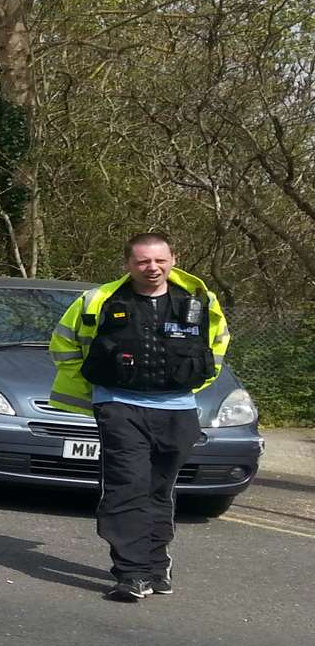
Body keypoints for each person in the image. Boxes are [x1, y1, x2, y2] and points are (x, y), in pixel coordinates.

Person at [48, 232, 229, 602]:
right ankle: (131, 574)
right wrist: (92, 391)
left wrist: (191, 383)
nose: (152, 268)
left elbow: (218, 345)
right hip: (119, 405)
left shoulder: (198, 302)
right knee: (126, 485)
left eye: (160, 260)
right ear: (128, 264)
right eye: (143, 261)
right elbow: (64, 344)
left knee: (158, 491)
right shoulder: (98, 301)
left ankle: (155, 565)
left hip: (177, 409)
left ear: (173, 260)